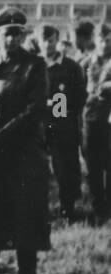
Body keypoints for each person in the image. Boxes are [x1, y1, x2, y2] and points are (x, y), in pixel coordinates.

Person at [0, 8, 50, 274]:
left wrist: (0, 138)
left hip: (24, 151)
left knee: (26, 211)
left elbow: (35, 110)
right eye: (8, 34)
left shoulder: (34, 65)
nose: (13, 39)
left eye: (18, 33)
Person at [39, 24, 86, 221]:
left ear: (57, 41)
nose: (47, 45)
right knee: (37, 170)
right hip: (38, 126)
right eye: (43, 40)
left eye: (51, 40)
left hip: (62, 125)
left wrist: (57, 105)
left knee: (66, 169)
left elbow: (78, 96)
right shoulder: (34, 65)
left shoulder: (70, 66)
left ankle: (68, 208)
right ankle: (40, 210)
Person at [82, 24, 111, 222]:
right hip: (90, 120)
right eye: (101, 39)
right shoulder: (84, 63)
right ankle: (97, 208)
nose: (104, 43)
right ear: (95, 39)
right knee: (92, 167)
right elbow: (64, 91)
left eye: (108, 39)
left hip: (109, 119)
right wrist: (59, 118)